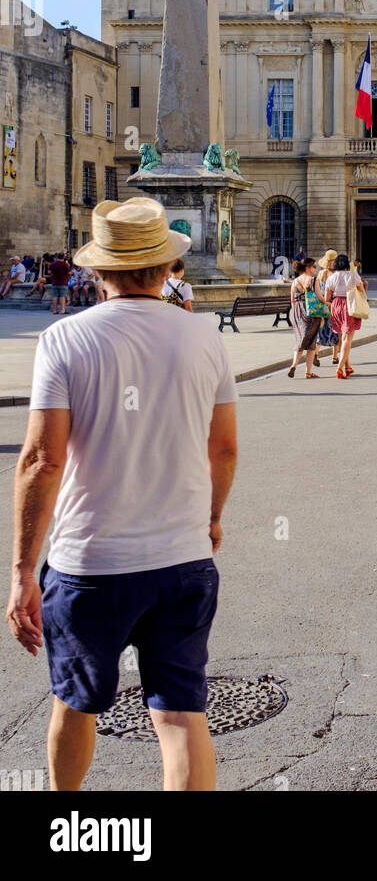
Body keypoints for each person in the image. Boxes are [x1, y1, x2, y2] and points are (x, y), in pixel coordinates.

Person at [5, 198, 237, 791]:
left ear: (98, 269)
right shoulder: (204, 335)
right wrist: (211, 518)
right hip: (183, 558)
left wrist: (21, 571)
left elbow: (41, 460)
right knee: (182, 713)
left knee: (76, 703)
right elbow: (225, 450)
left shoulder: (64, 339)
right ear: (165, 268)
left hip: (91, 562)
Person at [325, 254, 367, 379]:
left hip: (336, 305)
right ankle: (339, 368)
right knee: (347, 340)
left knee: (342, 339)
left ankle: (347, 367)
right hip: (349, 306)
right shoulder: (353, 275)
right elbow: (362, 290)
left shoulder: (331, 278)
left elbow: (327, 298)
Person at [288, 257, 326, 379]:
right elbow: (320, 297)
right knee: (311, 343)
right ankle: (308, 372)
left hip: (297, 311)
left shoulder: (295, 281)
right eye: (314, 266)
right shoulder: (313, 280)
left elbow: (292, 301)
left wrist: (296, 315)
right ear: (308, 267)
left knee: (300, 339)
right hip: (311, 312)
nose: (315, 269)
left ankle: (294, 364)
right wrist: (329, 303)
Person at [316, 250, 340, 364]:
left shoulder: (321, 273)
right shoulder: (335, 275)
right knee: (335, 330)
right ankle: (335, 357)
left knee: (320, 329)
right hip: (332, 305)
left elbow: (317, 290)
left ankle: (316, 354)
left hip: (322, 305)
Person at [48, 252, 71, 317]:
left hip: (54, 282)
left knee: (55, 296)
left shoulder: (53, 264)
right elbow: (69, 272)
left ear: (57, 257)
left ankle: (54, 310)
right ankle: (62, 310)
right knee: (62, 296)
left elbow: (49, 272)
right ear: (63, 257)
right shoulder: (65, 264)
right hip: (63, 282)